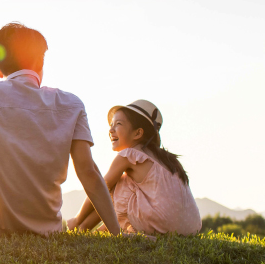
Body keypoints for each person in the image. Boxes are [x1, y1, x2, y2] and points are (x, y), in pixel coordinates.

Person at [0, 22, 123, 238]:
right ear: (41, 62)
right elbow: (88, 172)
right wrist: (117, 233)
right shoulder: (72, 104)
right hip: (47, 233)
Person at [67, 100, 202, 235]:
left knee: (114, 183)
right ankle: (89, 229)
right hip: (189, 228)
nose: (111, 130)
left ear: (138, 133)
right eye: (111, 125)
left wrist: (77, 218)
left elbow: (98, 186)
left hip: (160, 224)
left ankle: (81, 226)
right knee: (126, 184)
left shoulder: (130, 155)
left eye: (118, 124)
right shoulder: (166, 160)